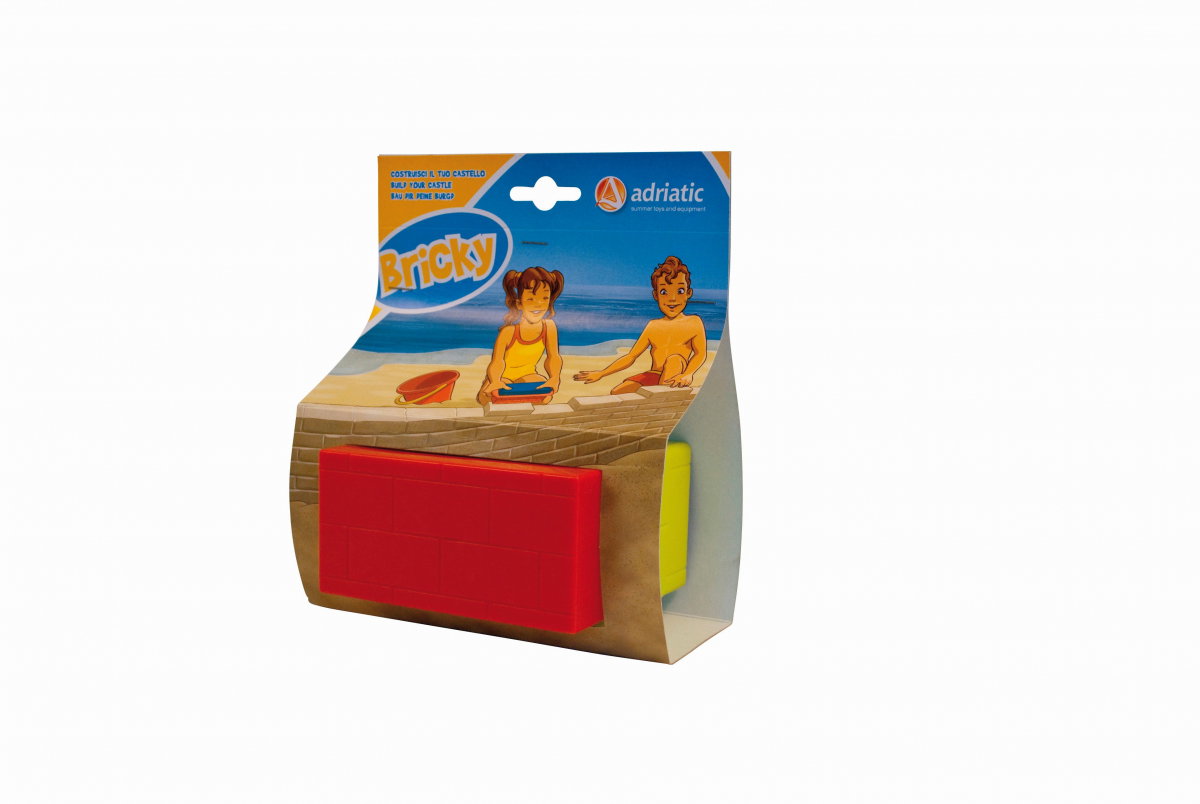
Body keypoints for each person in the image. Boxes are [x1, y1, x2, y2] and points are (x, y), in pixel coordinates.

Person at [574, 256, 707, 394]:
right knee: (617, 392)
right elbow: (631, 356)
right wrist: (602, 373)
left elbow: (700, 353)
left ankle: (660, 398)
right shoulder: (653, 325)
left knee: (674, 360)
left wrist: (688, 374)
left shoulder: (693, 322)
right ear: (656, 295)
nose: (672, 298)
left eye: (680, 291)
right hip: (654, 374)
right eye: (664, 292)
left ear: (688, 293)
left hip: (676, 374)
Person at [477, 266, 565, 405]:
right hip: (502, 377)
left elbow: (553, 356)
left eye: (544, 298)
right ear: (519, 304)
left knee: (546, 398)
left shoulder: (549, 327)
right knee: (489, 398)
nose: (538, 305)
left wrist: (554, 377)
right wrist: (495, 381)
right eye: (530, 299)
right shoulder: (509, 332)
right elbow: (497, 361)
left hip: (527, 375)